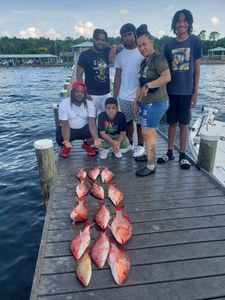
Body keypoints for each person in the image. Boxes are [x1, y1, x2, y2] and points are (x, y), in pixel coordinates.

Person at [157, 9, 202, 170]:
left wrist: (195, 93)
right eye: (178, 21)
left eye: (184, 21)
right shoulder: (169, 45)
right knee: (171, 123)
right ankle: (169, 152)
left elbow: (197, 70)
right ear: (174, 24)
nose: (181, 24)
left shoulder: (195, 41)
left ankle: (183, 155)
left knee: (184, 124)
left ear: (188, 23)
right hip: (171, 91)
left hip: (187, 91)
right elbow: (164, 71)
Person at [133, 25, 171, 176]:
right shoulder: (144, 62)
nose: (142, 48)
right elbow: (140, 84)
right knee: (147, 132)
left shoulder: (158, 58)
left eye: (144, 44)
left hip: (157, 102)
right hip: (145, 102)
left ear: (151, 42)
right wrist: (136, 101)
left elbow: (167, 77)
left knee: (148, 133)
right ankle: (149, 156)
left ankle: (151, 165)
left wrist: (149, 85)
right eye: (139, 46)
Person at [113, 23, 145, 158]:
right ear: (122, 38)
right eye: (124, 35)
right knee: (128, 122)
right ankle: (130, 143)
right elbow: (118, 76)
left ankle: (141, 145)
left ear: (135, 34)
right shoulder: (120, 54)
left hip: (139, 95)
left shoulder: (142, 51)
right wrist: (115, 96)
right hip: (124, 95)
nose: (127, 38)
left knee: (140, 122)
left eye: (130, 34)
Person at [56, 81, 101, 158]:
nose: (80, 94)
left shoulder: (90, 105)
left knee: (97, 132)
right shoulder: (64, 104)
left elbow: (92, 123)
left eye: (82, 92)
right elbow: (65, 125)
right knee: (60, 140)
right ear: (72, 92)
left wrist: (96, 139)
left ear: (85, 94)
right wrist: (66, 140)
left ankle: (86, 145)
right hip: (69, 129)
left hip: (83, 129)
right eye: (77, 91)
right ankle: (67, 146)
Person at [76, 28, 117, 115]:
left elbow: (123, 47)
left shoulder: (107, 51)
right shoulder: (84, 55)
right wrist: (84, 92)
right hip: (91, 95)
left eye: (103, 40)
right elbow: (79, 75)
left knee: (109, 120)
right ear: (93, 39)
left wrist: (114, 47)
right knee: (91, 120)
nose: (101, 42)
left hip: (106, 94)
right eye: (98, 39)